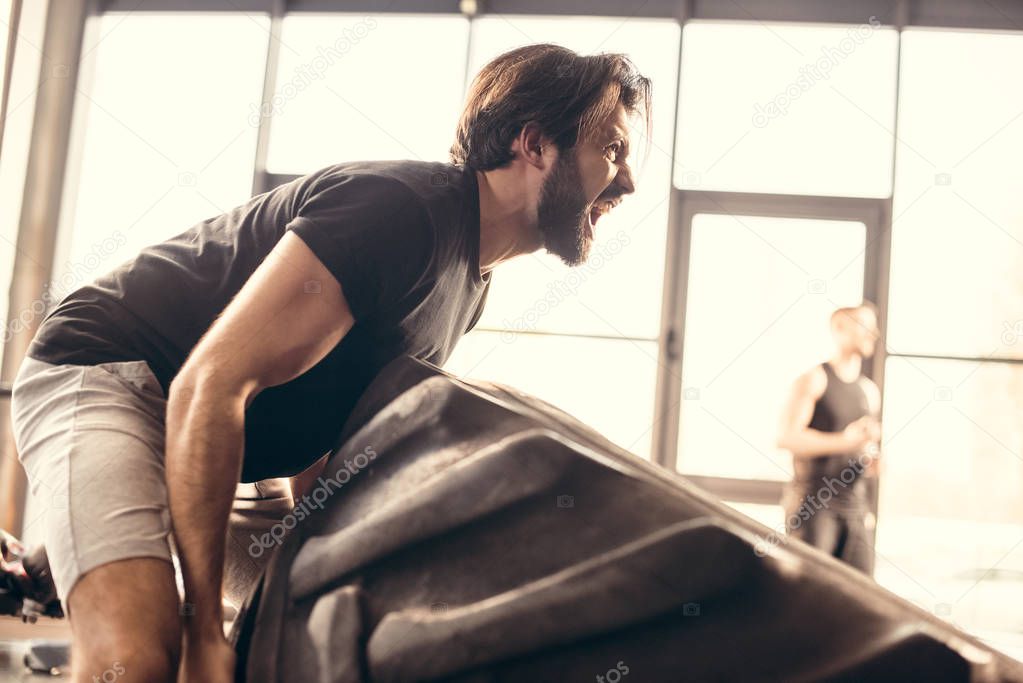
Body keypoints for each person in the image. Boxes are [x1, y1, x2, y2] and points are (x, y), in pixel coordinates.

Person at [9, 43, 649, 682]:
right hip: (114, 376)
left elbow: (328, 440)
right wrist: (206, 631)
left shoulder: (469, 285)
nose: (629, 181)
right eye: (613, 149)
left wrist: (324, 569)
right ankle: (100, 550)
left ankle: (44, 565)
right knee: (142, 658)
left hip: (227, 450)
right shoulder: (400, 212)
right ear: (534, 145)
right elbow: (212, 381)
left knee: (351, 625)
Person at [776, 302, 882, 574]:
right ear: (840, 328)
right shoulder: (814, 380)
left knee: (860, 600)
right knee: (810, 595)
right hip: (814, 506)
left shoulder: (869, 391)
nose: (873, 334)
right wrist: (846, 442)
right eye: (864, 327)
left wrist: (870, 459)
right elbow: (787, 437)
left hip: (855, 508)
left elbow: (862, 447)